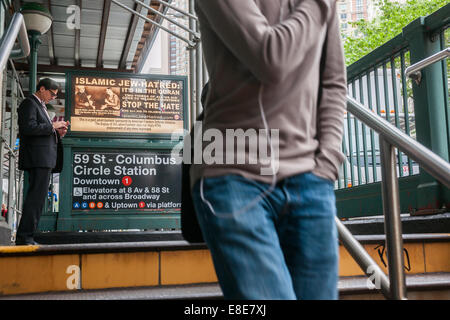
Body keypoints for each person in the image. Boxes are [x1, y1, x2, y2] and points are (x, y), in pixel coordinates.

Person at [191, 0, 347, 299]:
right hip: (232, 173)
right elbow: (270, 58)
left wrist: (326, 164)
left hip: (310, 179)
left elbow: (334, 83)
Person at [16, 78, 70, 245]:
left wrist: (56, 133)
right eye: (52, 93)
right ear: (41, 89)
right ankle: (25, 237)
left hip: (43, 158)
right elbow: (28, 128)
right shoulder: (29, 103)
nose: (53, 97)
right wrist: (52, 127)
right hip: (37, 158)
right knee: (35, 198)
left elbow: (40, 130)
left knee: (38, 199)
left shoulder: (41, 106)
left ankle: (28, 235)